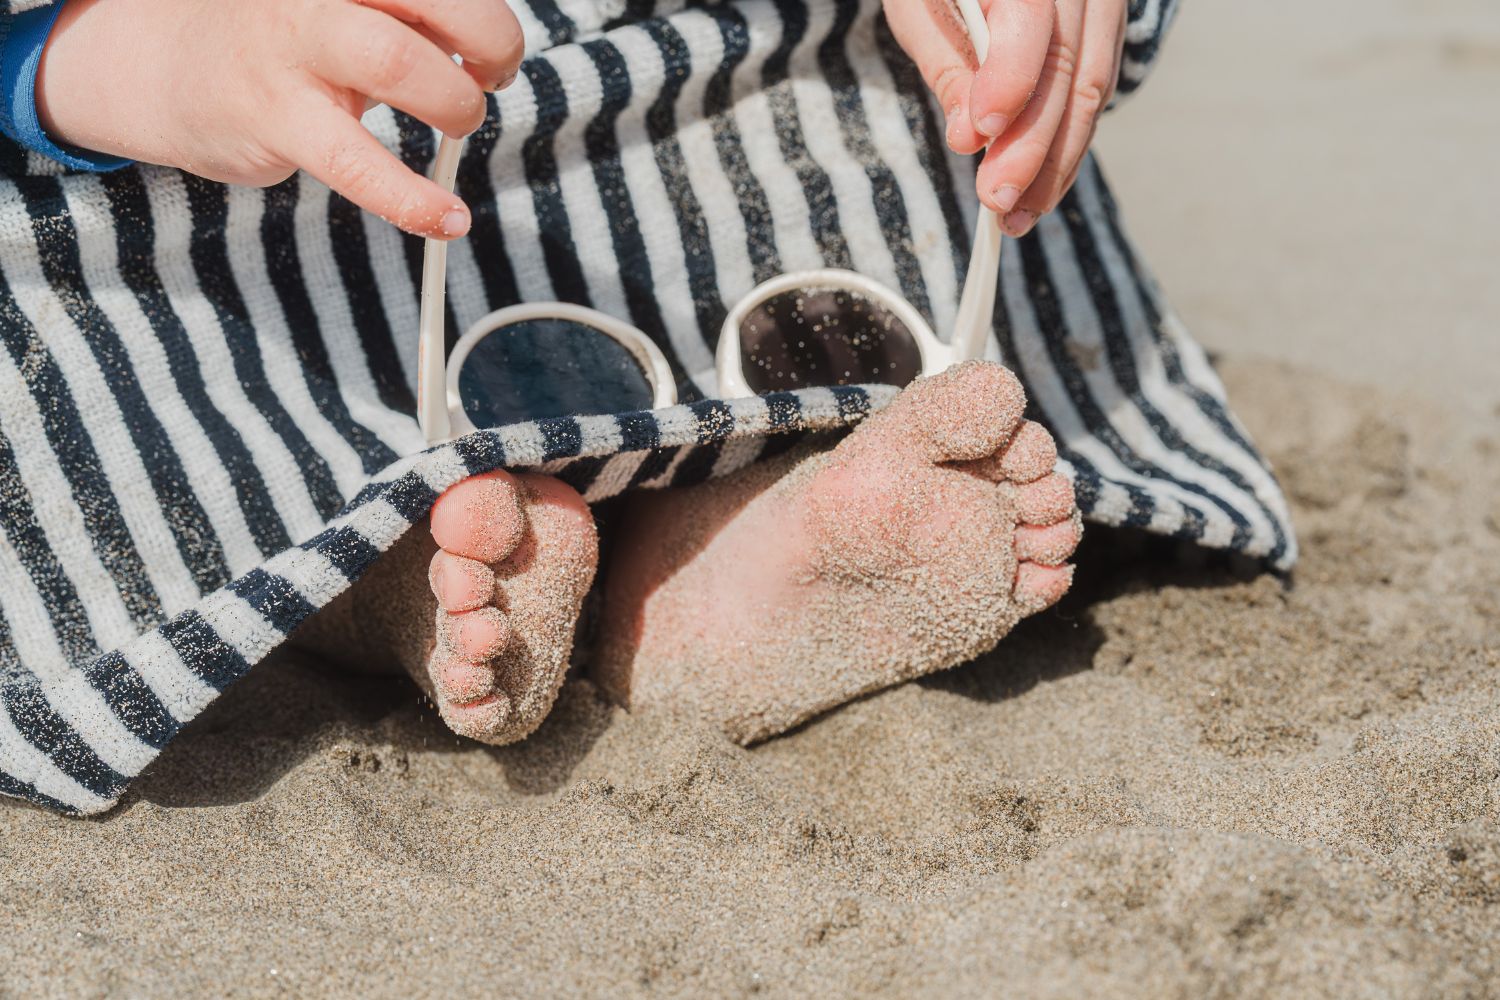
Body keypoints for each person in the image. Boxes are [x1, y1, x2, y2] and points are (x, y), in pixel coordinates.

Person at [0, 0, 1294, 815]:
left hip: (718, 96)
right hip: (244, 143)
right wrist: (108, 53)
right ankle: (385, 572)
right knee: (131, 318)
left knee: (909, 104)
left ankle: (664, 546)